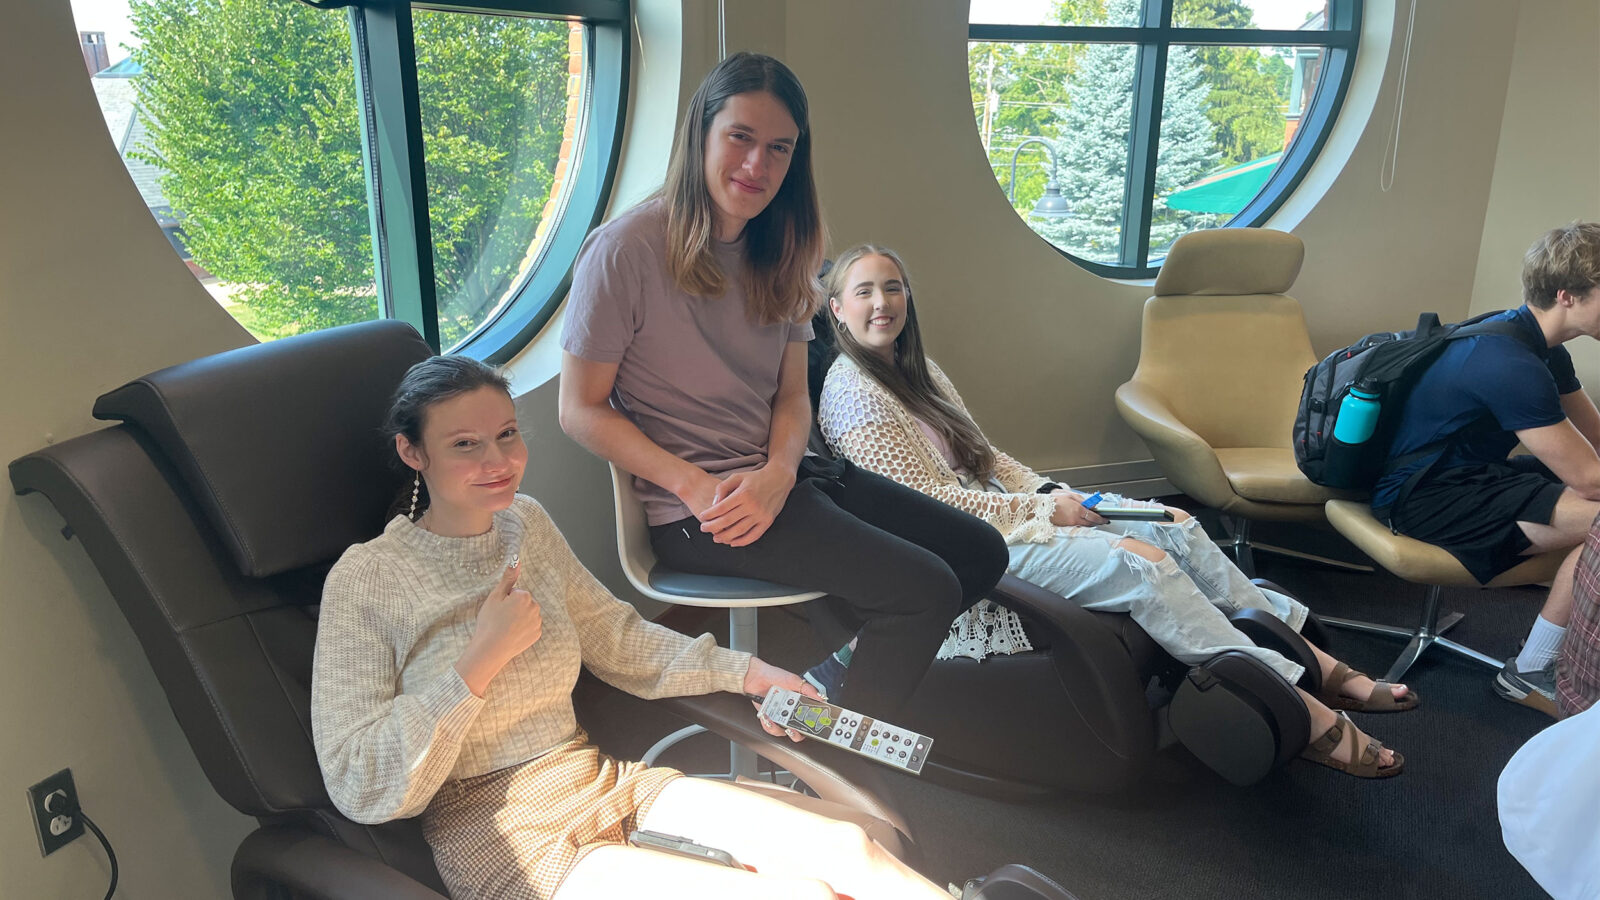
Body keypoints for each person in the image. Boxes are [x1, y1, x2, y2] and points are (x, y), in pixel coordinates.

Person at [311, 356, 959, 900]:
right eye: (464, 444)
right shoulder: (369, 578)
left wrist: (747, 671)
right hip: (505, 842)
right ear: (411, 451)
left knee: (850, 849)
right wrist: (478, 662)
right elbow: (358, 779)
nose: (498, 460)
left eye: (507, 434)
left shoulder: (525, 524)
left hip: (602, 785)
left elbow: (615, 636)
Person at [816, 244, 1412, 779]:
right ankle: (1299, 704)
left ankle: (1312, 655)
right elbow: (927, 507)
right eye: (863, 291)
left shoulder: (919, 370)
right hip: (969, 543)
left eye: (892, 287)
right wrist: (1045, 514)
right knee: (1145, 564)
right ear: (838, 309)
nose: (882, 303)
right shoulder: (852, 392)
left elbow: (986, 456)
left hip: (1014, 510)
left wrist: (1052, 494)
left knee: (1175, 526)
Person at [558, 53, 1007, 717]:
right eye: (740, 137)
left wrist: (777, 471)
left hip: (788, 480)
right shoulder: (625, 250)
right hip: (701, 512)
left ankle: (825, 688)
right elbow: (580, 410)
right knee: (924, 590)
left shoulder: (788, 248)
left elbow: (793, 398)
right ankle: (845, 773)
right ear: (701, 135)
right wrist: (694, 483)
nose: (756, 166)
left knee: (979, 553)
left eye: (779, 148)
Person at [1368, 223, 1600, 715]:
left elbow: (1595, 442)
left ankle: (1555, 655)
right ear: (1568, 296)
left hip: (1471, 476)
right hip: (1424, 498)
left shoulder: (1537, 344)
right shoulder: (1508, 362)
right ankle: (1532, 671)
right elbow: (1591, 478)